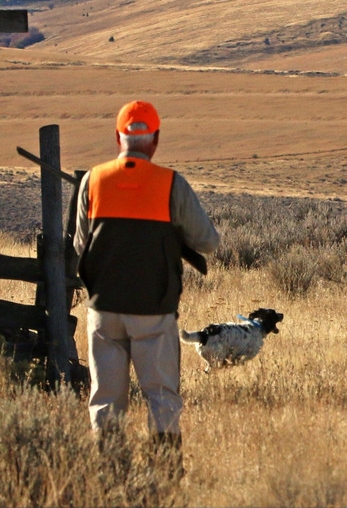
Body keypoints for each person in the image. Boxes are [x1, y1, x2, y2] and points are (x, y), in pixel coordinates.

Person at [73, 100, 220, 476]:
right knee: (161, 396)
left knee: (106, 398)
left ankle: (110, 475)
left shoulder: (93, 180)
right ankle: (166, 475)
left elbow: (79, 245)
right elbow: (207, 242)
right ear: (155, 139)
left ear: (117, 138)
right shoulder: (171, 184)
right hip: (154, 312)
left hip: (104, 310)